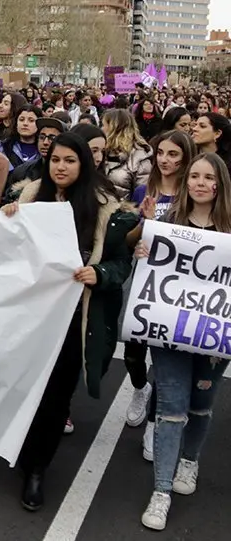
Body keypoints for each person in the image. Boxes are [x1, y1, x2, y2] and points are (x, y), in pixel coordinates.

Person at [5, 132, 137, 512]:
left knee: (56, 395)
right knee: (24, 387)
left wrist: (101, 273)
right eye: (55, 160)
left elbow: (120, 263)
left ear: (84, 165)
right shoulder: (28, 198)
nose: (60, 167)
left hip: (72, 320)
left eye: (70, 160)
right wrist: (5, 216)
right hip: (27, 316)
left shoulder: (106, 211)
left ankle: (36, 469)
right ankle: (20, 449)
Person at [136, 153, 231, 531]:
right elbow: (144, 266)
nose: (200, 183)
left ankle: (189, 460)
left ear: (220, 184)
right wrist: (142, 248)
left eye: (209, 177)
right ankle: (161, 492)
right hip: (169, 333)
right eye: (194, 176)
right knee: (171, 409)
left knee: (201, 405)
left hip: (212, 338)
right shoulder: (167, 223)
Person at [123, 130, 196, 462]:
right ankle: (140, 389)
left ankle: (155, 423)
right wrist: (145, 225)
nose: (165, 160)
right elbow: (129, 239)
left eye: (173, 154)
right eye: (161, 153)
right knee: (134, 353)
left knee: (165, 362)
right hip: (143, 283)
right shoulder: (143, 190)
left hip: (176, 288)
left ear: (185, 158)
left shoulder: (191, 194)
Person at [0, 104, 42, 197]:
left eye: (31, 120)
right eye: (21, 119)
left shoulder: (43, 151)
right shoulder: (1, 147)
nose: (25, 123)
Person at [3, 117, 67, 203]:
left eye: (52, 138)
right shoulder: (22, 172)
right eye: (42, 137)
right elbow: (6, 202)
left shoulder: (68, 174)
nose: (45, 142)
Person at [101, 109, 152, 200]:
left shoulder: (140, 157)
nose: (101, 128)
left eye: (103, 125)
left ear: (113, 128)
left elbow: (142, 195)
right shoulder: (101, 151)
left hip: (125, 211)